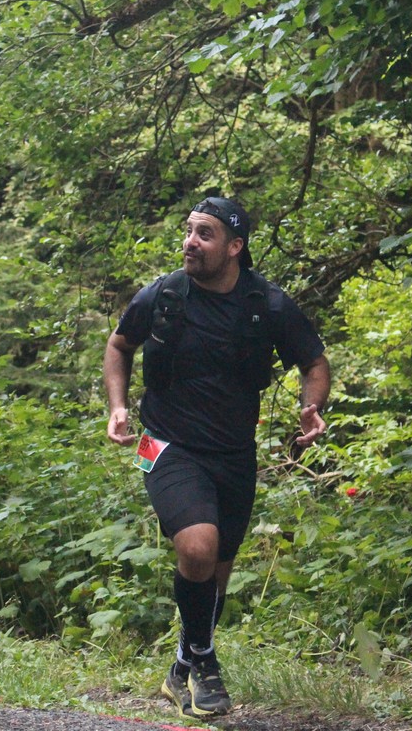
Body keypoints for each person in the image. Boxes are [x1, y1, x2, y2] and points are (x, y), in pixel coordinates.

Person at [103, 197, 330, 718]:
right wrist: (118, 406)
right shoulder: (163, 294)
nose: (190, 242)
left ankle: (183, 665)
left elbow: (314, 363)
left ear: (234, 247)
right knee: (198, 547)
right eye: (188, 231)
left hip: (233, 453)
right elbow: (119, 346)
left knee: (215, 574)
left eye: (204, 234)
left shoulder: (267, 305)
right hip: (160, 443)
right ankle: (205, 662)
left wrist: (312, 406)